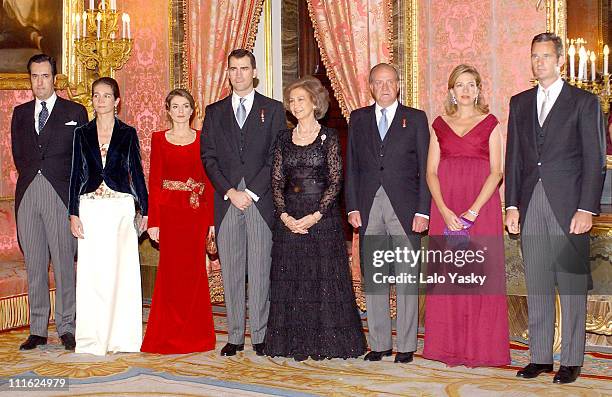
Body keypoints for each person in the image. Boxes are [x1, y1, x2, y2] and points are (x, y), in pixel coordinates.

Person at [506, 33, 606, 384]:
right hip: (531, 205)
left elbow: (595, 161)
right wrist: (511, 206)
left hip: (569, 209)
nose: (539, 62)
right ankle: (540, 357)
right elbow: (514, 160)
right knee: (537, 284)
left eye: (546, 56)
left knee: (571, 283)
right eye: (534, 56)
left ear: (560, 60)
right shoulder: (519, 104)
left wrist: (586, 208)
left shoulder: (584, 102)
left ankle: (573, 359)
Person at [263, 76, 367, 361]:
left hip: (322, 218)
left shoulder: (329, 136)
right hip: (289, 218)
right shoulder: (283, 138)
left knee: (321, 279)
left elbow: (336, 181)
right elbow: (276, 181)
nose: (296, 105)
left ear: (314, 102)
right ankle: (293, 341)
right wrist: (284, 216)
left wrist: (315, 215)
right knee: (293, 279)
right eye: (292, 101)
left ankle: (326, 343)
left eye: (301, 99)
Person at [201, 49, 287, 356]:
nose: (238, 74)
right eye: (233, 69)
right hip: (226, 203)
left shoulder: (274, 109)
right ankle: (235, 335)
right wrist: (229, 191)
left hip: (259, 203)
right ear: (227, 73)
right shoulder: (214, 111)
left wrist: (250, 193)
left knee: (261, 269)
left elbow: (277, 156)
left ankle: (261, 335)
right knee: (232, 271)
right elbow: (208, 157)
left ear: (254, 72)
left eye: (244, 68)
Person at [423, 64, 509, 367]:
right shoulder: (439, 124)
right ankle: (448, 348)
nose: (466, 90)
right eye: (460, 85)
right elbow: (431, 172)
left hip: (481, 209)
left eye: (471, 84)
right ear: (451, 91)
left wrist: (473, 210)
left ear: (479, 89)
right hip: (445, 209)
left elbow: (497, 171)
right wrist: (445, 211)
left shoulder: (490, 122)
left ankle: (481, 349)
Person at [345, 63, 431, 364]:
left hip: (406, 210)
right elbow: (352, 166)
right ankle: (379, 343)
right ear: (370, 86)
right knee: (375, 277)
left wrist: (424, 211)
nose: (384, 87)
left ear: (399, 85)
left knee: (407, 278)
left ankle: (406, 345)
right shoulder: (358, 118)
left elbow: (426, 170)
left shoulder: (416, 119)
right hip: (369, 208)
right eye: (378, 82)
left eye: (390, 82)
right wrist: (353, 206)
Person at [11, 53, 87, 351]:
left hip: (61, 193)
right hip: (28, 192)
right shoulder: (19, 112)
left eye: (45, 76)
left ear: (54, 78)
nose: (39, 82)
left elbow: (81, 159)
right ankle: (38, 329)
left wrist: (74, 204)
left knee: (65, 263)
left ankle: (67, 326)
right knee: (35, 264)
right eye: (34, 76)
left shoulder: (76, 111)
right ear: (29, 79)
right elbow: (19, 155)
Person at [68, 77, 148, 356]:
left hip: (120, 208)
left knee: (121, 272)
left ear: (116, 101)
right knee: (92, 274)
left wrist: (145, 210)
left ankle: (121, 338)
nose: (100, 100)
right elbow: (75, 174)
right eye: (96, 95)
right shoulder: (81, 133)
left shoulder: (128, 133)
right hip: (90, 207)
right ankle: (92, 340)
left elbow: (136, 172)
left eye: (106, 95)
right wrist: (73, 212)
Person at [141, 89, 216, 354]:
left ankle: (195, 336)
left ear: (193, 110)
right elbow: (155, 181)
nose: (181, 111)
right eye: (175, 106)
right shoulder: (159, 139)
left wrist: (211, 222)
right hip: (170, 214)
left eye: (185, 106)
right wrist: (154, 221)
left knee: (194, 274)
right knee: (170, 275)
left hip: (195, 215)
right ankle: (168, 334)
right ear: (168, 110)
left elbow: (209, 183)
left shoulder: (203, 139)